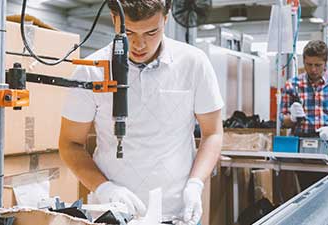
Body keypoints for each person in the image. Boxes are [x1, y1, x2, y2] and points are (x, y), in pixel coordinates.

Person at [58, 0, 224, 224]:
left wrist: (196, 184)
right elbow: (70, 144)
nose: (139, 44)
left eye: (151, 32)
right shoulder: (90, 70)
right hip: (112, 213)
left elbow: (213, 133)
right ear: (114, 18)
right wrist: (104, 187)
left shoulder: (194, 64)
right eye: (128, 32)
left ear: (166, 18)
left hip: (177, 213)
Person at [280, 40, 328, 189]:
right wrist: (293, 118)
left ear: (325, 63)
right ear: (304, 61)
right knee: (307, 193)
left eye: (318, 65)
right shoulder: (293, 85)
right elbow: (282, 119)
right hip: (303, 147)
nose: (313, 70)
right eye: (309, 65)